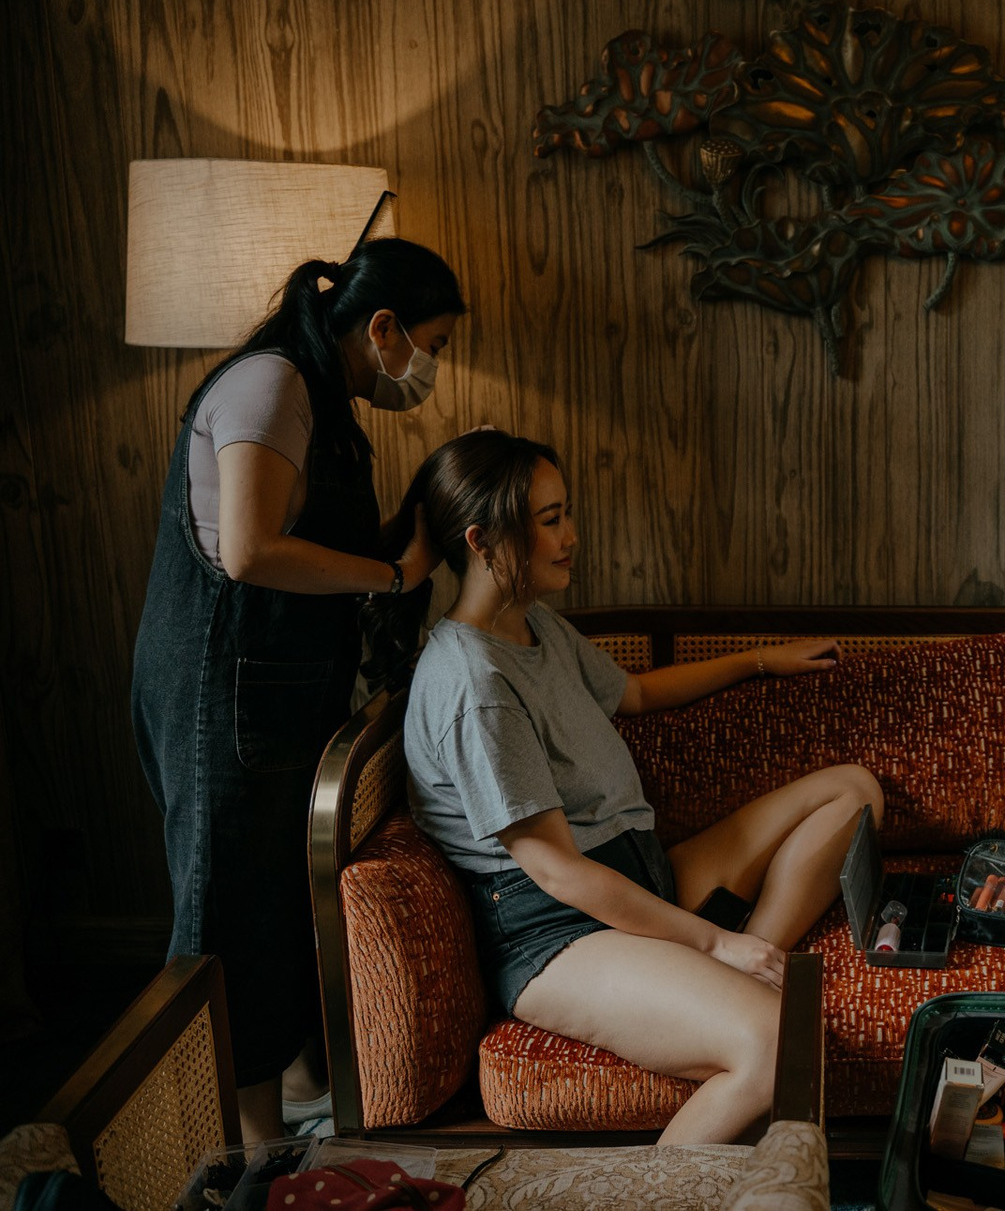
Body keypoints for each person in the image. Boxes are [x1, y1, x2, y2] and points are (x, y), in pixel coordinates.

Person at [388, 431, 881, 1145]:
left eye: (566, 513)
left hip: (639, 874)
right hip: (558, 929)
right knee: (781, 1041)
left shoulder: (534, 624)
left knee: (853, 794)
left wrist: (759, 659)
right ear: (482, 539)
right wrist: (714, 944)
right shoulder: (474, 684)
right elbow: (556, 871)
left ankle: (742, 965)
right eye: (551, 519)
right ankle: (653, 1176)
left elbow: (637, 693)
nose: (571, 536)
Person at [130, 238, 465, 1141]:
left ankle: (297, 1084)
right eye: (432, 344)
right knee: (230, 900)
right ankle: (244, 1139)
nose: (430, 369)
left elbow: (316, 542)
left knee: (280, 891)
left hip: (282, 682)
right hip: (224, 684)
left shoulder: (326, 400)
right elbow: (251, 551)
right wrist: (393, 576)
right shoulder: (271, 384)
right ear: (383, 327)